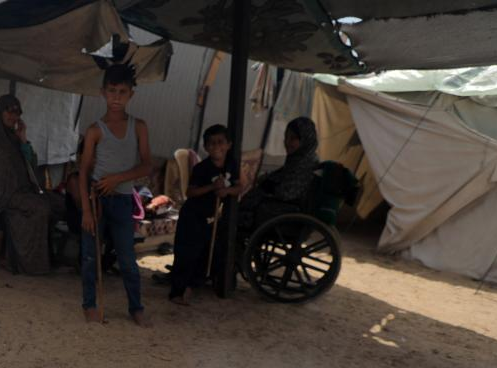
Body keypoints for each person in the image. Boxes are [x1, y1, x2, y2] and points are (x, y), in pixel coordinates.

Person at [78, 63, 153, 326]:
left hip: (122, 200)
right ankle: (90, 304)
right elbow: (83, 171)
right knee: (90, 257)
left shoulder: (138, 126)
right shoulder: (95, 130)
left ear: (131, 94)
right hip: (96, 199)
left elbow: (147, 165)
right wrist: (86, 211)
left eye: (122, 92)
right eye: (112, 91)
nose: (116, 97)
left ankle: (136, 307)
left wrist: (117, 179)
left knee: (128, 260)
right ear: (103, 93)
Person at [0, 95, 65, 275]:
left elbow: (31, 166)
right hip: (4, 195)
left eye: (17, 113)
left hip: (22, 191)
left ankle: (48, 258)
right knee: (40, 208)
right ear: (0, 112)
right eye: (9, 112)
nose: (13, 117)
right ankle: (29, 264)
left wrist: (23, 139)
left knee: (58, 203)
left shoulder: (12, 137)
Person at [167, 124, 244, 304]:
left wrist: (226, 191)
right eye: (211, 143)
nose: (216, 146)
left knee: (204, 254)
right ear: (205, 147)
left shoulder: (231, 164)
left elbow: (239, 186)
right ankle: (177, 293)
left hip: (210, 218)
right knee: (186, 254)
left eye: (220, 142)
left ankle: (190, 287)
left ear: (229, 145)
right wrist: (212, 187)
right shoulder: (202, 168)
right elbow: (190, 192)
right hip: (192, 217)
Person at [240, 116, 319, 228]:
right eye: (286, 137)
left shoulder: (305, 164)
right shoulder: (299, 159)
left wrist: (269, 185)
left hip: (284, 212)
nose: (287, 142)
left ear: (305, 140)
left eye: (293, 138)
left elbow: (287, 192)